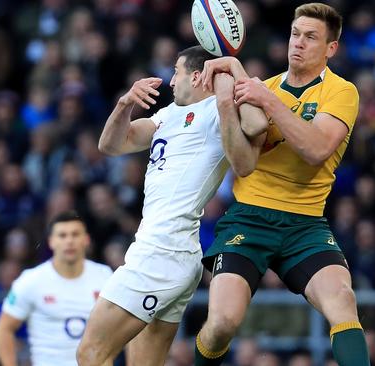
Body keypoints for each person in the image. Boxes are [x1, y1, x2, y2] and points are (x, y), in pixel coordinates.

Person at [192, 3, 369, 365]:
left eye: (310, 37)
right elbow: (244, 164)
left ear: (330, 49)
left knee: (343, 300)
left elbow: (317, 149)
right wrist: (230, 100)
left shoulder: (340, 91)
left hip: (304, 224)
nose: (298, 43)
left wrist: (266, 100)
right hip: (248, 220)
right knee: (222, 323)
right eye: (294, 33)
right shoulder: (262, 89)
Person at [76, 45, 265, 366]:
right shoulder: (167, 115)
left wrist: (232, 69)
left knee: (90, 353)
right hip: (174, 252)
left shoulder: (216, 112)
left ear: (196, 75)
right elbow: (110, 145)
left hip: (163, 251)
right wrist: (125, 103)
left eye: (175, 71)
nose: (170, 80)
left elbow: (257, 124)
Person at [0, 211, 113, 366]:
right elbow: (3, 330)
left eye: (75, 234)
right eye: (62, 235)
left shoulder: (106, 277)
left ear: (86, 239)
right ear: (51, 242)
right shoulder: (31, 280)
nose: (69, 241)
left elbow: (131, 325)